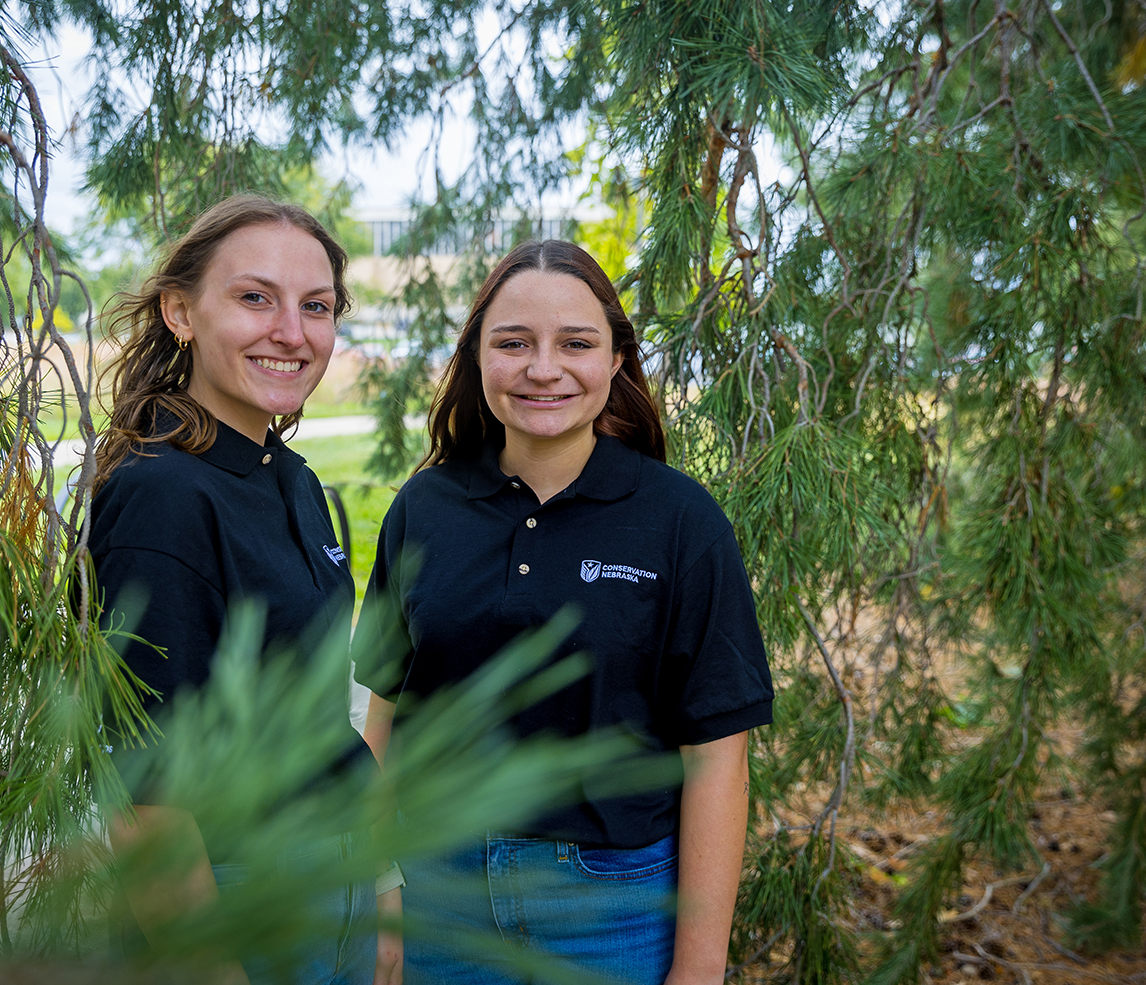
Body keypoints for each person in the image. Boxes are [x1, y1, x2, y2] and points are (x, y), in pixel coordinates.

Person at [351, 240, 773, 985]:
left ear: (614, 359)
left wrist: (700, 966)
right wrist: (380, 891)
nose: (542, 368)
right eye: (512, 343)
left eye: (574, 343)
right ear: (476, 356)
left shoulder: (680, 521)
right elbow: (381, 715)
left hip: (614, 910)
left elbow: (715, 758)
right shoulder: (423, 509)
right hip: (438, 900)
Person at [86, 194, 402, 985]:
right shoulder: (164, 496)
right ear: (180, 311)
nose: (291, 332)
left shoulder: (287, 477)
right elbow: (143, 793)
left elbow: (321, 721)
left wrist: (380, 892)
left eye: (316, 306)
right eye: (255, 297)